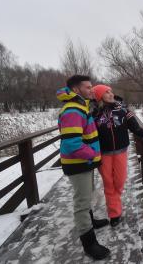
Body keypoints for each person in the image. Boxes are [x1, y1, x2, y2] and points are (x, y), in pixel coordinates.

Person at [56, 75, 110, 260]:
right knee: (82, 202)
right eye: (88, 87)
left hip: (84, 162)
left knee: (87, 195)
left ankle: (91, 221)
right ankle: (89, 244)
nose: (91, 90)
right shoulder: (73, 109)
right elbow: (72, 144)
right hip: (79, 163)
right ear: (77, 89)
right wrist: (93, 154)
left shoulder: (80, 106)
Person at [91, 84, 143, 227]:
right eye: (106, 92)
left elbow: (135, 127)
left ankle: (115, 201)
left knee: (120, 181)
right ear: (99, 96)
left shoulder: (123, 109)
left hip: (121, 151)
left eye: (111, 91)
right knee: (109, 184)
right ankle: (114, 214)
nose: (111, 94)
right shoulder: (93, 114)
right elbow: (87, 133)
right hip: (103, 154)